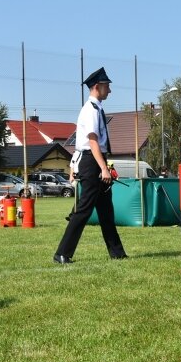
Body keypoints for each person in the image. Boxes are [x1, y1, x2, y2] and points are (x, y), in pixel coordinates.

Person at [53, 67, 127, 264]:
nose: (109, 91)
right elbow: (93, 141)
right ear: (97, 87)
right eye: (107, 86)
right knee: (84, 209)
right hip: (90, 161)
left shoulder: (97, 109)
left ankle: (117, 253)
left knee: (106, 211)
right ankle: (62, 253)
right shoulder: (90, 110)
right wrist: (103, 168)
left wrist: (104, 165)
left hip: (96, 159)